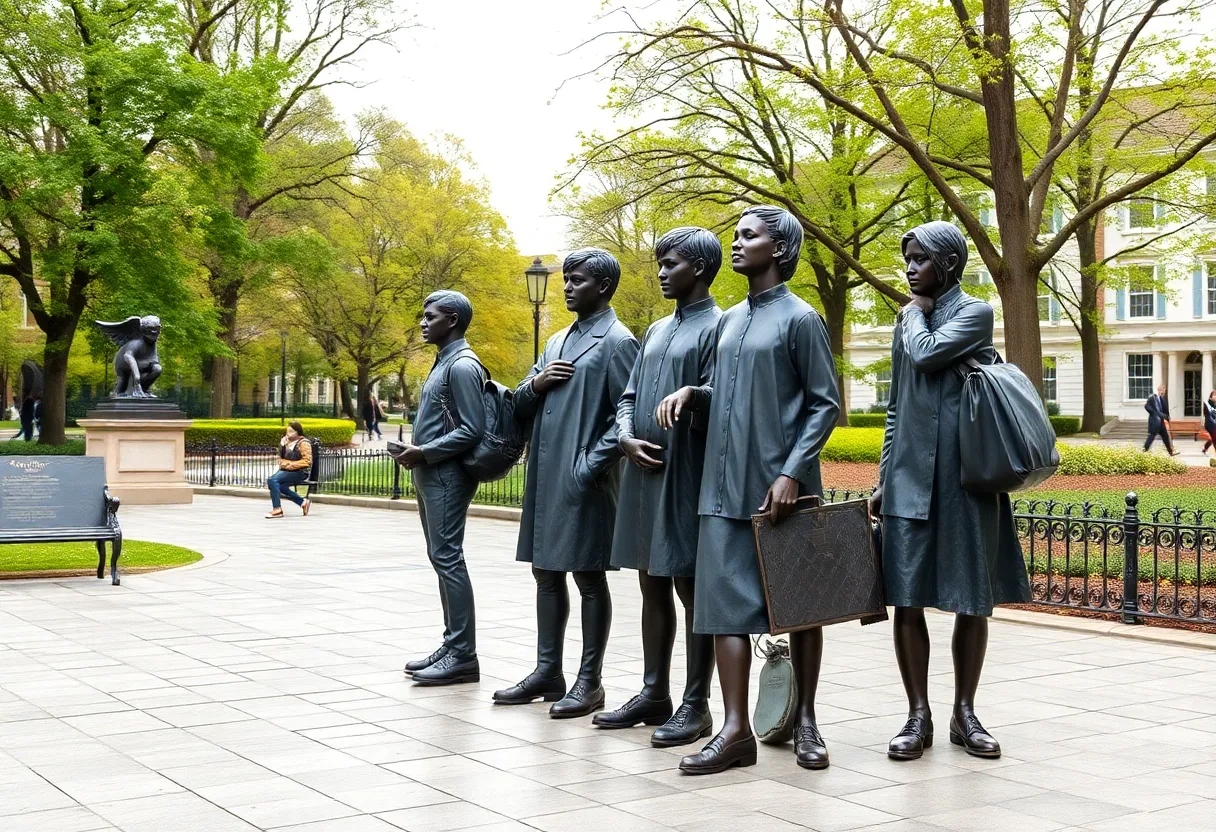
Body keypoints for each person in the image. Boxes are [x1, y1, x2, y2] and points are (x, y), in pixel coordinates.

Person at [658, 206, 840, 774]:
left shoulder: (801, 318)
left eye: (748, 237)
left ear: (779, 249)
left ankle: (805, 720)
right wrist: (696, 392)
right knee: (724, 613)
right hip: (720, 489)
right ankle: (736, 730)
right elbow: (726, 389)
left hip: (780, 490)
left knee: (801, 606)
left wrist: (790, 472)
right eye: (734, 236)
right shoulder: (729, 319)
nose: (735, 245)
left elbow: (823, 403)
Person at [869, 221, 1032, 762]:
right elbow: (897, 408)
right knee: (907, 598)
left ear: (949, 263)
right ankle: (918, 714)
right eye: (906, 258)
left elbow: (928, 354)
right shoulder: (907, 321)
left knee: (972, 600)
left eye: (919, 259)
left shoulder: (974, 312)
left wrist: (913, 315)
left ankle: (965, 712)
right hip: (911, 477)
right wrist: (883, 477)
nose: (909, 268)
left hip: (968, 479)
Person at [495, 248, 639, 717]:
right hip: (546, 475)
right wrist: (536, 386)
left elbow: (626, 416)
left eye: (577, 280)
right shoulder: (556, 340)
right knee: (545, 572)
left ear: (603, 286)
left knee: (589, 578)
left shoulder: (617, 341)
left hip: (586, 482)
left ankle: (589, 681)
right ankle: (547, 671)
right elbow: (518, 402)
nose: (567, 286)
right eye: (567, 279)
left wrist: (587, 465)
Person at [593, 228, 722, 747]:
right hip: (643, 474)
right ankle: (654, 691)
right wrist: (623, 436)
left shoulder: (720, 326)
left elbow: (725, 395)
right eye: (660, 264)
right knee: (651, 583)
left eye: (671, 264)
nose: (662, 272)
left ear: (700, 268)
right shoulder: (654, 330)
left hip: (687, 473)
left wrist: (694, 397)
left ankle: (696, 703)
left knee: (691, 588)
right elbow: (627, 397)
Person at [392, 291, 486, 686]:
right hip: (430, 471)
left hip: (446, 475)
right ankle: (453, 644)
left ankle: (463, 655)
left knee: (448, 558)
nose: (423, 323)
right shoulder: (444, 361)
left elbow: (472, 429)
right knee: (440, 556)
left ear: (452, 320)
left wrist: (424, 452)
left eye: (430, 317)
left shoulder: (462, 365)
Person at [266, 421, 313, 518]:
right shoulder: (287, 442)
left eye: (291, 431)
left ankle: (277, 509)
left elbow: (307, 461)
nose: (288, 433)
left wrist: (289, 465)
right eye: (287, 431)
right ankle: (303, 502)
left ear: (297, 432)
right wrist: (282, 446)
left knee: (272, 480)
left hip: (299, 472)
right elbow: (282, 458)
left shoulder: (303, 443)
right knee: (279, 485)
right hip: (287, 470)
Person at [1144, 384, 1179, 455]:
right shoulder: (1152, 398)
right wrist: (1155, 414)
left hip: (1161, 423)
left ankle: (1170, 452)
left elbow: (1164, 410)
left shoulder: (1161, 399)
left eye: (1164, 391)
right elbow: (1146, 406)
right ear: (1159, 390)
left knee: (1165, 437)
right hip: (1154, 422)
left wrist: (1167, 417)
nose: (1163, 393)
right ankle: (1144, 451)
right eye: (1162, 391)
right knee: (1151, 437)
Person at [1203, 390, 1216, 455]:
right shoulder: (1207, 404)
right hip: (1210, 425)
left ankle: (1205, 449)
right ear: (1211, 397)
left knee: (1211, 439)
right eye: (1214, 395)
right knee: (1213, 439)